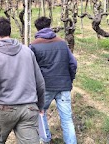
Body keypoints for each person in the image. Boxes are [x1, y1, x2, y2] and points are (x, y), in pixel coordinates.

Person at [0, 17, 45, 143]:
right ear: (10, 32)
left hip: (3, 108)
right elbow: (40, 82)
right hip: (29, 108)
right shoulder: (27, 51)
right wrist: (40, 106)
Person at [29, 16, 77, 144]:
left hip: (45, 86)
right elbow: (73, 63)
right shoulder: (62, 42)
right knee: (67, 119)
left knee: (40, 112)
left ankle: (45, 139)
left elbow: (30, 68)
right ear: (50, 27)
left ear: (37, 29)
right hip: (64, 85)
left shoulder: (33, 45)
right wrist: (69, 79)